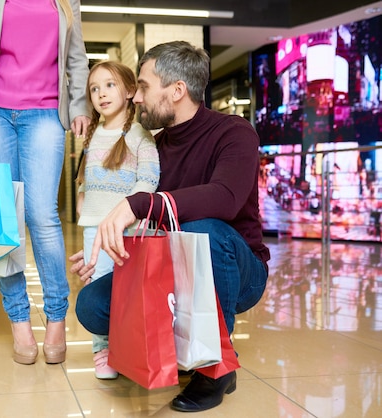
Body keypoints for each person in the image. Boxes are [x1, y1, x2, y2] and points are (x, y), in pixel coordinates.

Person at [71, 40, 271, 412]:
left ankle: (216, 368)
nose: (136, 98)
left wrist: (140, 203)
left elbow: (224, 198)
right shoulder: (153, 147)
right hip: (172, 270)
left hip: (237, 270)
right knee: (91, 306)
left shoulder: (234, 133)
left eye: (144, 87)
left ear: (177, 90)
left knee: (206, 229)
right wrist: (109, 241)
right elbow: (148, 224)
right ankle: (176, 346)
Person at [0, 0, 90, 365]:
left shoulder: (67, 1)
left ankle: (57, 316)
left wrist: (79, 106)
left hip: (47, 114)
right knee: (6, 218)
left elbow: (77, 59)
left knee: (42, 215)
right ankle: (19, 319)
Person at [75, 60, 160, 379]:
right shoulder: (93, 134)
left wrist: (127, 212)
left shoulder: (140, 135)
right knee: (98, 286)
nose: (101, 93)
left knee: (130, 291)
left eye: (109, 85)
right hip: (94, 231)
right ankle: (103, 350)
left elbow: (149, 177)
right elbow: (88, 177)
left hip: (132, 230)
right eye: (94, 88)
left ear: (129, 91)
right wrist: (83, 200)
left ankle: (132, 345)